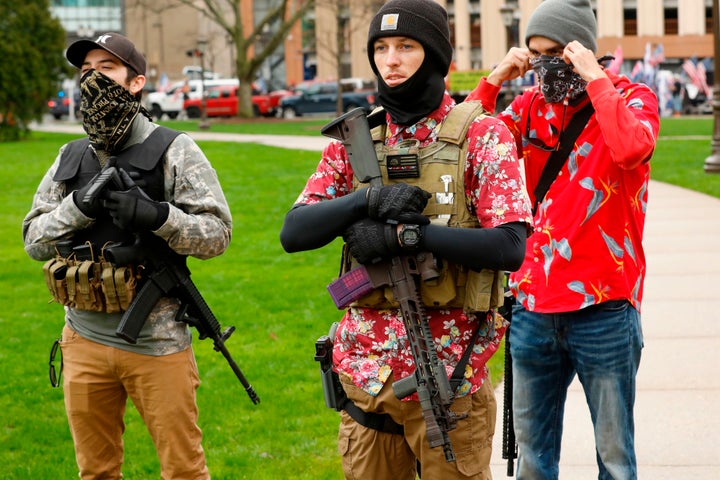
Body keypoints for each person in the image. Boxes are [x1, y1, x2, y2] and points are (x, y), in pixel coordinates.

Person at [280, 0, 533, 478]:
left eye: (405, 47)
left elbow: (509, 246)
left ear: (435, 55)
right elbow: (294, 232)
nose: (390, 60)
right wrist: (363, 203)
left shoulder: (483, 135)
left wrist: (412, 237)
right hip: (366, 378)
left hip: (449, 379)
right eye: (381, 48)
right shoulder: (354, 141)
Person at [22, 32, 232, 479]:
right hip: (82, 339)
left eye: (107, 69)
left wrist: (158, 216)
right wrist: (77, 209)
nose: (93, 79)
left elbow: (217, 235)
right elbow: (34, 239)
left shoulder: (175, 149)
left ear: (136, 82)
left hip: (157, 344)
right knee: (96, 472)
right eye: (85, 72)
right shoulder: (70, 155)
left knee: (183, 471)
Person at [465, 1, 660, 479]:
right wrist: (496, 78)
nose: (547, 66)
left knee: (615, 460)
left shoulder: (632, 97)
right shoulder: (530, 106)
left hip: (606, 308)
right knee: (533, 460)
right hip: (533, 306)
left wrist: (595, 78)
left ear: (584, 50)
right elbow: (463, 143)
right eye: (537, 56)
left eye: (559, 53)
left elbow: (632, 148)